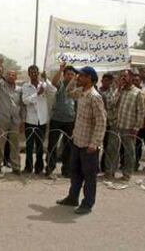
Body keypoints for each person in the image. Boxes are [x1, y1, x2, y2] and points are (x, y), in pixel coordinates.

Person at [57, 66, 106, 215]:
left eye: (82, 75)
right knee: (75, 171)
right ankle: (73, 197)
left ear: (90, 78)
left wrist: (95, 143)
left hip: (89, 144)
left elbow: (101, 121)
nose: (79, 77)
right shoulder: (82, 92)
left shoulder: (94, 96)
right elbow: (68, 92)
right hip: (78, 139)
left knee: (89, 175)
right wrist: (73, 78)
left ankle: (87, 203)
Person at [0, 58, 25, 174]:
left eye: (13, 75)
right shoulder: (1, 86)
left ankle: (16, 167)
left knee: (15, 145)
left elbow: (22, 106)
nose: (11, 76)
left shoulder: (19, 90)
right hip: (3, 120)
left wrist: (22, 121)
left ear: (16, 77)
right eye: (9, 74)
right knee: (0, 144)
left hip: (15, 121)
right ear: (6, 76)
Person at [22, 65, 57, 174]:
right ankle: (28, 167)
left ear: (38, 73)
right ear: (29, 74)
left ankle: (39, 167)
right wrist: (37, 94)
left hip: (42, 121)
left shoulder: (44, 85)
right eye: (31, 72)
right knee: (29, 146)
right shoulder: (26, 86)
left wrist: (46, 79)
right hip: (30, 120)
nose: (34, 74)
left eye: (35, 72)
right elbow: (25, 101)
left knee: (40, 146)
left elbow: (54, 90)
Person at [45, 62, 76, 178]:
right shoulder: (60, 85)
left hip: (70, 120)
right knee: (52, 145)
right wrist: (60, 69)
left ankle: (66, 170)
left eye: (72, 74)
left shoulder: (76, 87)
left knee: (68, 146)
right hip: (57, 119)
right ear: (64, 75)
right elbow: (53, 82)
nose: (70, 76)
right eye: (68, 74)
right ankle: (49, 168)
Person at [115, 70, 145, 181]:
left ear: (131, 77)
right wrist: (118, 88)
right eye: (122, 76)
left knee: (129, 151)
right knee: (115, 150)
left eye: (125, 76)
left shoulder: (137, 93)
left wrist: (136, 128)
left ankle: (127, 174)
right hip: (118, 125)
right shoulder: (121, 91)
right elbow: (113, 103)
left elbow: (141, 112)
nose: (123, 78)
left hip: (129, 127)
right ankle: (111, 172)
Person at [99, 73, 119, 178]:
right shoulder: (97, 90)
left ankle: (105, 168)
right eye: (104, 80)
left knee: (108, 146)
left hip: (109, 122)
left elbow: (111, 103)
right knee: (96, 145)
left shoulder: (113, 93)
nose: (105, 82)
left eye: (108, 81)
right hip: (98, 122)